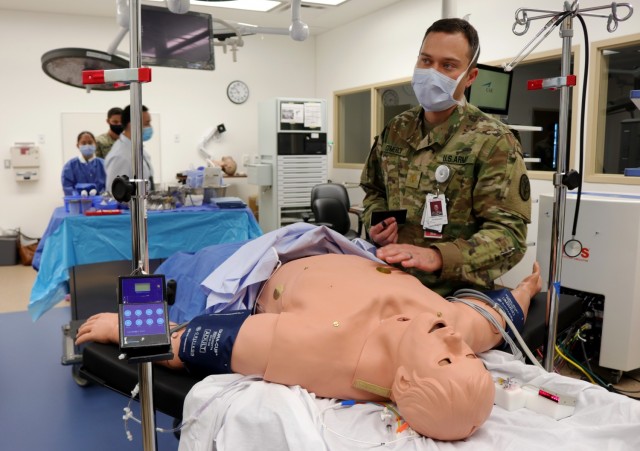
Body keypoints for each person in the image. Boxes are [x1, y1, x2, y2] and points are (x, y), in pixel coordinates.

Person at [76, 253, 542, 441]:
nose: (457, 342)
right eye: (466, 357)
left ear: (402, 381)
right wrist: (525, 289)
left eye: (446, 359)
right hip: (350, 249)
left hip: (263, 265)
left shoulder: (319, 347)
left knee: (183, 266)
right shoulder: (448, 324)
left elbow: (191, 346)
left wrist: (127, 325)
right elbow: (493, 320)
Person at [360, 18, 531, 297]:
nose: (432, 73)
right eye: (426, 61)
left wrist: (439, 257)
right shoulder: (397, 129)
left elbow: (508, 237)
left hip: (453, 295)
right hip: (390, 281)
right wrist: (375, 222)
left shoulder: (493, 140)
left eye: (448, 65)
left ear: (471, 76)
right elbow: (374, 190)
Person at [105, 104, 155, 192]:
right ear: (133, 124)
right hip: (132, 205)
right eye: (147, 123)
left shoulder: (136, 149)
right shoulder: (120, 156)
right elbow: (117, 194)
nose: (150, 127)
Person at [61, 131, 106, 195]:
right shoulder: (70, 166)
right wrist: (79, 197)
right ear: (77, 145)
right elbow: (68, 188)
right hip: (78, 203)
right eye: (83, 143)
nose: (87, 145)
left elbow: (109, 186)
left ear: (95, 144)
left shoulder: (103, 164)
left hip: (100, 203)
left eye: (90, 143)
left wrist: (101, 196)